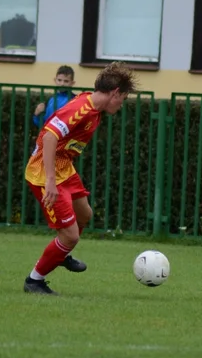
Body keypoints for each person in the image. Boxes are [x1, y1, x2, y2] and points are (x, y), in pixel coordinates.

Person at [23, 61, 138, 295]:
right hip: (44, 174)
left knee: (85, 214)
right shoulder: (81, 109)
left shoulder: (93, 104)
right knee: (70, 235)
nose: (122, 104)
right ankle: (34, 280)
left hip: (65, 168)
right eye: (123, 98)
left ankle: (62, 252)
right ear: (115, 93)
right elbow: (48, 138)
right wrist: (51, 183)